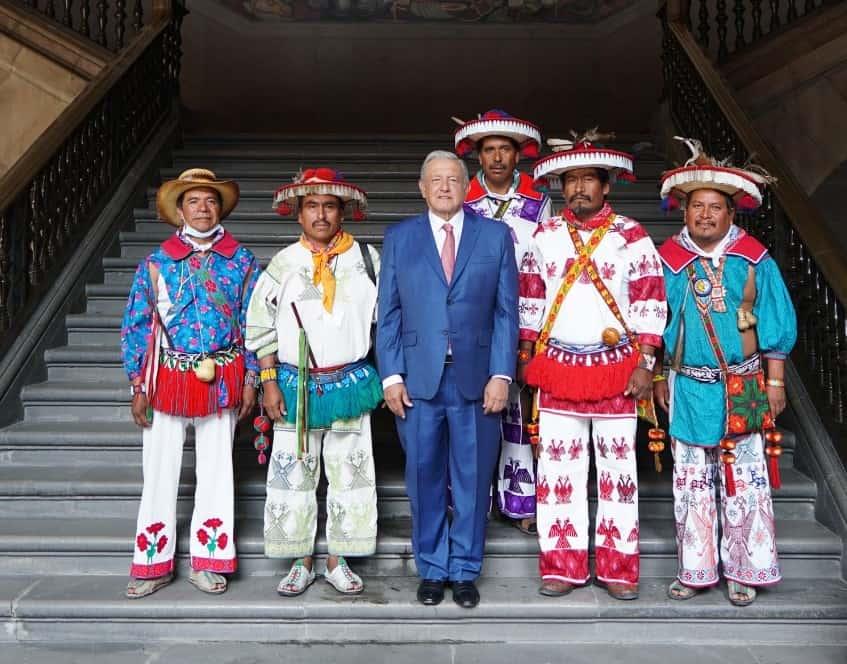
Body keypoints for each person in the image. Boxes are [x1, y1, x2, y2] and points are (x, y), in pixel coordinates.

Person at [519, 132, 667, 600]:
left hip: (617, 369)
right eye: (570, 180)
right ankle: (562, 566)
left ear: (607, 186)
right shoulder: (543, 236)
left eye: (588, 179)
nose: (579, 187)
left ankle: (619, 570)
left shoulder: (632, 236)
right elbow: (530, 297)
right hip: (559, 366)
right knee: (558, 473)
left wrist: (646, 362)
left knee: (618, 473)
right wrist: (526, 354)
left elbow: (649, 300)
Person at [654, 138, 796, 607]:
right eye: (698, 206)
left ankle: (744, 570)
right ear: (685, 210)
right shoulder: (668, 261)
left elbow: (774, 323)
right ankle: (695, 570)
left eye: (715, 207)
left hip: (744, 385)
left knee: (745, 481)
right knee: (691, 482)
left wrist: (775, 382)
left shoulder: (754, 259)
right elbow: (654, 323)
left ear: (731, 212)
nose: (706, 215)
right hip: (689, 384)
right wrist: (657, 377)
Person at [377, 150, 518, 608]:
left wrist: (502, 374)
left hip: (478, 381)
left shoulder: (495, 237)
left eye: (452, 179)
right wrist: (391, 375)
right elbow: (390, 312)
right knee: (424, 476)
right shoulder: (400, 238)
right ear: (422, 188)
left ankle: (464, 570)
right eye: (435, 180)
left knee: (474, 477)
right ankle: (432, 569)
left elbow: (505, 312)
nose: (443, 187)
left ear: (465, 186)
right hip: (418, 381)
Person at [121, 168, 260, 598]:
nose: (203, 208)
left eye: (211, 200)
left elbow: (255, 323)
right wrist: (137, 386)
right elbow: (138, 325)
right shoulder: (156, 263)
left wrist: (252, 377)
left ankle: (209, 559)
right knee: (159, 472)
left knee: (218, 471)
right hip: (167, 378)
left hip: (222, 377)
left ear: (220, 207)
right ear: (179, 209)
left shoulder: (243, 261)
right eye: (194, 201)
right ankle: (152, 563)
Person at [245, 168, 381, 596]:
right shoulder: (283, 264)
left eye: (329, 206)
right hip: (295, 384)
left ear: (342, 212)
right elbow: (259, 325)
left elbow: (387, 320)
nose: (320, 214)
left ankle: (339, 558)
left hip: (349, 384)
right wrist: (268, 382)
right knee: (293, 474)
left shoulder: (368, 261)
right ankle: (300, 559)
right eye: (311, 206)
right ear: (299, 214)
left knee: (351, 474)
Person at [454, 109, 552, 535]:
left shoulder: (539, 202)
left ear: (518, 156)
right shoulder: (464, 202)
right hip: (475, 320)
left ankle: (521, 501)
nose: (497, 158)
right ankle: (474, 500)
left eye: (504, 151)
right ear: (478, 156)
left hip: (526, 317)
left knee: (520, 412)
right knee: (476, 410)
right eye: (489, 150)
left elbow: (548, 262)